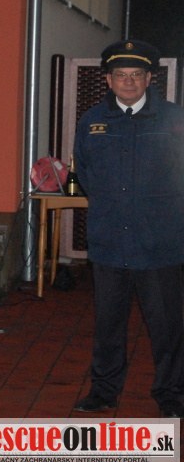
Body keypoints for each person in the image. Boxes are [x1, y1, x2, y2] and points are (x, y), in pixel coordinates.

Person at [73, 39, 184, 418]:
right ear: (108, 80)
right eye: (121, 75)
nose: (129, 81)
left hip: (159, 244)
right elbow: (86, 172)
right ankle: (103, 391)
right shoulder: (92, 121)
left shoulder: (173, 119)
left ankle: (171, 395)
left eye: (137, 74)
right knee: (108, 325)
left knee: (167, 327)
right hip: (109, 242)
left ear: (150, 78)